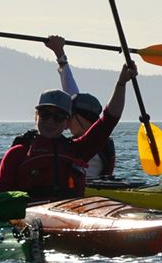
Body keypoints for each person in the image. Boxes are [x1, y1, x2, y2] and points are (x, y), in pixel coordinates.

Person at [0, 64, 134, 200]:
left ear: (67, 123)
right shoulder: (17, 153)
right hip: (30, 215)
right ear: (36, 117)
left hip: (70, 213)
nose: (50, 121)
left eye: (58, 117)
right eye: (45, 114)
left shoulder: (77, 150)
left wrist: (121, 84)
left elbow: (109, 120)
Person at [45, 36, 117, 180]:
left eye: (69, 117)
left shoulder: (86, 147)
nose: (65, 123)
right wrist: (60, 54)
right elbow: (71, 92)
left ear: (83, 118)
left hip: (84, 190)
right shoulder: (95, 138)